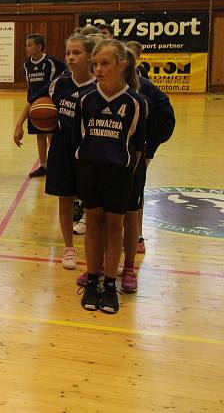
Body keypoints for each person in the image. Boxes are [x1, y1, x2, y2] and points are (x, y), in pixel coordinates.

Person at [76, 39, 147, 314]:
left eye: (104, 63)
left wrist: (124, 169)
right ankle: (92, 280)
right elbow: (77, 140)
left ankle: (109, 283)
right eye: (95, 64)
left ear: (122, 64)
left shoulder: (136, 103)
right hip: (90, 169)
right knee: (93, 223)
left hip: (119, 172)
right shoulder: (86, 99)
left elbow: (138, 147)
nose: (98, 69)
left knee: (115, 226)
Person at [15, 35, 96, 270]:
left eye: (76, 53)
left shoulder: (98, 86)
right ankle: (68, 248)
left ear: (90, 56)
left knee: (92, 204)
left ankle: (94, 248)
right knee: (65, 200)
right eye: (68, 52)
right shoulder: (59, 83)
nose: (70, 57)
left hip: (90, 152)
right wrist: (19, 123)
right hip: (62, 148)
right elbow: (33, 100)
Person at [120, 45, 174, 292]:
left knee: (133, 195)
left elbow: (164, 120)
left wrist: (148, 149)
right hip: (118, 150)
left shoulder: (143, 90)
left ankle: (137, 239)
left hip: (145, 142)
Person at [14, 33, 67, 178]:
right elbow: (29, 85)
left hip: (48, 103)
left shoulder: (51, 62)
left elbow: (66, 74)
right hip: (34, 103)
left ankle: (56, 165)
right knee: (39, 135)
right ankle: (43, 166)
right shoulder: (27, 65)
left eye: (29, 45)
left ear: (40, 46)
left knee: (51, 135)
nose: (27, 48)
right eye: (26, 45)